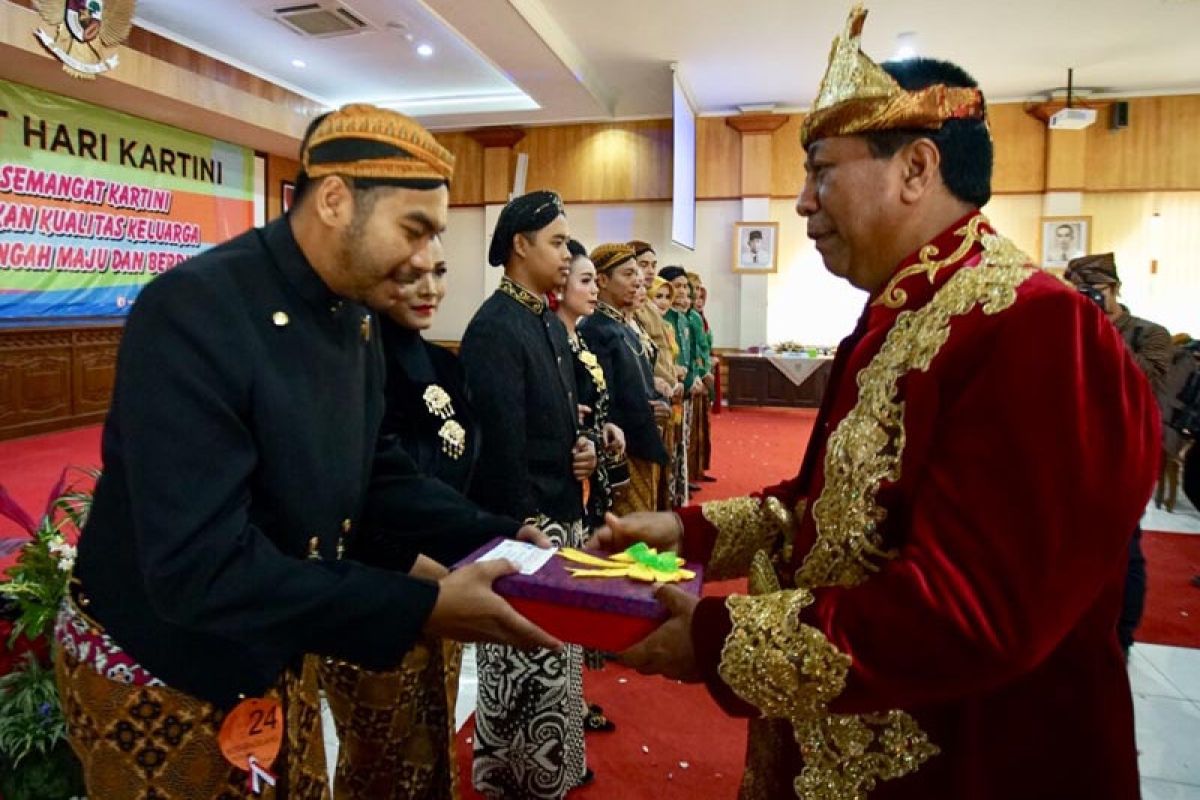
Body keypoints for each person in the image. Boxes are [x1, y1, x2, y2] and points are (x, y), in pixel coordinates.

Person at [598, 9, 1160, 799]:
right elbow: (826, 509)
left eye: (821, 170)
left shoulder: (1035, 326)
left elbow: (978, 611)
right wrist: (684, 531)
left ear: (916, 168)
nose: (801, 202)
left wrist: (712, 638)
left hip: (964, 761)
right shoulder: (901, 310)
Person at [55, 103, 558, 799]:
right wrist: (418, 609)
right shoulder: (194, 310)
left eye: (435, 235)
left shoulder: (350, 310)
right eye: (413, 230)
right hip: (159, 657)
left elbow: (372, 468)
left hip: (273, 634)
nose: (423, 262)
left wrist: (493, 534)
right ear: (333, 199)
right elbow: (198, 568)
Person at [319, 235, 475, 800]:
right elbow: (347, 495)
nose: (429, 288)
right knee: (378, 760)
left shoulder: (441, 364)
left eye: (438, 270)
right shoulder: (344, 366)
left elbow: (462, 477)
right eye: (410, 275)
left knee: (433, 737)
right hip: (372, 587)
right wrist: (415, 563)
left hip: (446, 584)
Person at [460, 190, 596, 798]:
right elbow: (498, 447)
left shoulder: (542, 318)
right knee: (519, 668)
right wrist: (519, 530)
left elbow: (558, 419)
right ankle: (514, 783)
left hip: (559, 514)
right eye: (558, 242)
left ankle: (554, 773)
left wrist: (589, 446)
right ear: (520, 245)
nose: (566, 255)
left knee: (555, 664)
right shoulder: (495, 327)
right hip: (525, 527)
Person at [1066, 251, 1171, 656]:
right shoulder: (1068, 326)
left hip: (1127, 454)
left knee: (1125, 546)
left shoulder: (1150, 334)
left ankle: (1122, 636)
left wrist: (1099, 330)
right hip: (1076, 453)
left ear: (1115, 289)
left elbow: (1141, 381)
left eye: (1096, 292)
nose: (1090, 298)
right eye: (1080, 292)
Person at [580, 244, 669, 515]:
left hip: (642, 437)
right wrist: (647, 408)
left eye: (638, 274)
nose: (639, 280)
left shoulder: (622, 326)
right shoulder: (596, 329)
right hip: (623, 446)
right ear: (603, 280)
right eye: (628, 274)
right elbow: (604, 399)